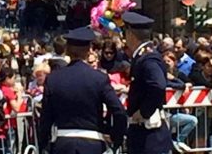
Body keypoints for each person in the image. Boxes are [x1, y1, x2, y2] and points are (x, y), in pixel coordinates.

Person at [39, 26, 128, 154]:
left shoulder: (54, 79)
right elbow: (119, 111)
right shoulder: (99, 78)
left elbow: (46, 117)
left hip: (63, 145)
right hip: (92, 145)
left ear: (67, 50)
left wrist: (44, 144)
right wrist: (116, 139)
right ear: (88, 51)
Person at [121, 12, 172, 153]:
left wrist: (144, 111)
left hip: (149, 136)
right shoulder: (143, 56)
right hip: (143, 135)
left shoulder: (147, 58)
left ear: (130, 34)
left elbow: (158, 85)